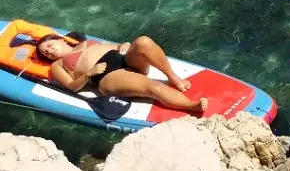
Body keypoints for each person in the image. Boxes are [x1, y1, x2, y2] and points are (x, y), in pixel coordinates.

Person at [34, 34, 207, 115]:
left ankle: (173, 77)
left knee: (143, 41)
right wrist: (88, 75)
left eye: (49, 45)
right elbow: (72, 87)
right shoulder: (57, 65)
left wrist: (123, 45)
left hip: (124, 59)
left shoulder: (88, 42)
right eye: (45, 53)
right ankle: (192, 106)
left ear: (61, 39)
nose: (48, 52)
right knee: (153, 87)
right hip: (108, 76)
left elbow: (115, 46)